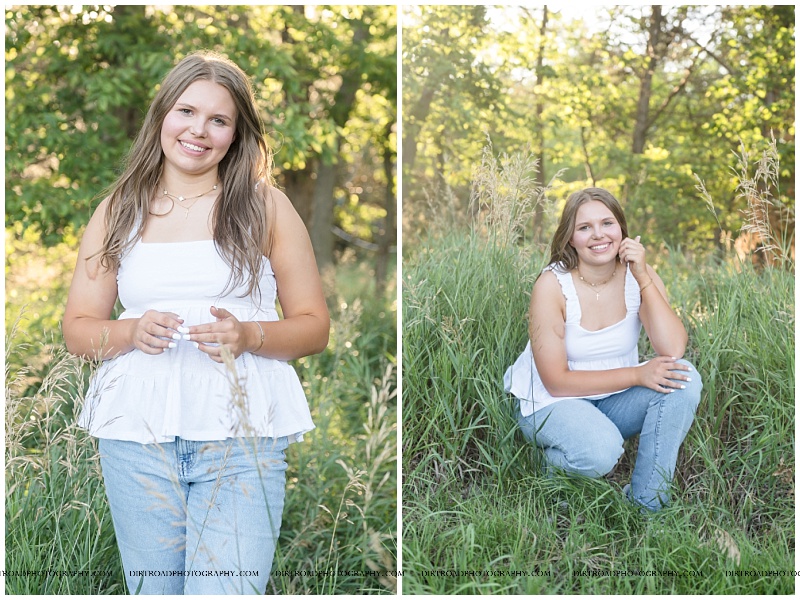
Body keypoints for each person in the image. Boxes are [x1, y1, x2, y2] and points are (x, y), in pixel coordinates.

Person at [62, 51, 330, 594]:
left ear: (236, 134)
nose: (198, 131)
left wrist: (249, 335)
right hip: (136, 437)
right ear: (163, 114)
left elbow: (314, 326)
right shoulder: (119, 210)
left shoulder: (264, 206)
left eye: (219, 120)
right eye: (186, 111)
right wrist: (129, 332)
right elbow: (77, 328)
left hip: (242, 437)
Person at [504, 188, 702, 512]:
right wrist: (638, 374)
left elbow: (673, 347)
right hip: (549, 402)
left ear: (622, 230)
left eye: (607, 223)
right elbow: (556, 381)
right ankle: (548, 467)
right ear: (570, 237)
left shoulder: (638, 275)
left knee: (684, 379)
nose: (598, 235)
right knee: (600, 453)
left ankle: (647, 505)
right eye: (584, 228)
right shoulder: (551, 285)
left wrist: (643, 277)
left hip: (611, 399)